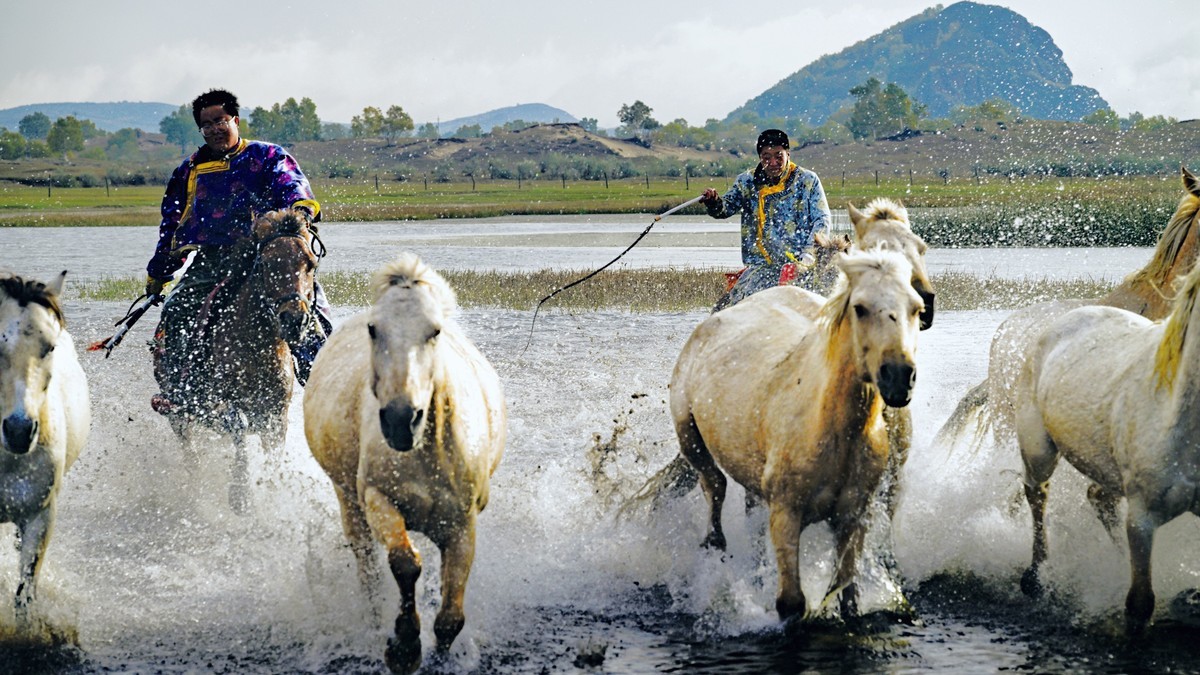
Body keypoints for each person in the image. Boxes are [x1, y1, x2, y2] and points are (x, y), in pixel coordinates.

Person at [145, 88, 332, 414]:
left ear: (236, 120)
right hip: (213, 262)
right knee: (175, 310)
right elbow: (171, 224)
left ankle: (325, 382)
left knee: (306, 306)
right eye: (207, 124)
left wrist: (300, 211)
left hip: (267, 256)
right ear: (200, 130)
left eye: (221, 120)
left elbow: (293, 186)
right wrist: (158, 272)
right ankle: (182, 389)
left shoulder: (268, 157)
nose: (216, 128)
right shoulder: (187, 171)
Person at [700, 128, 832, 309]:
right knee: (730, 312)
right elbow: (724, 210)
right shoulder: (746, 182)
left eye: (778, 156)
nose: (773, 162)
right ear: (760, 158)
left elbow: (822, 219)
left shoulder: (807, 180)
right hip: (760, 266)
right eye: (766, 157)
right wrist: (713, 202)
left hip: (800, 264)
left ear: (788, 154)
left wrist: (809, 254)